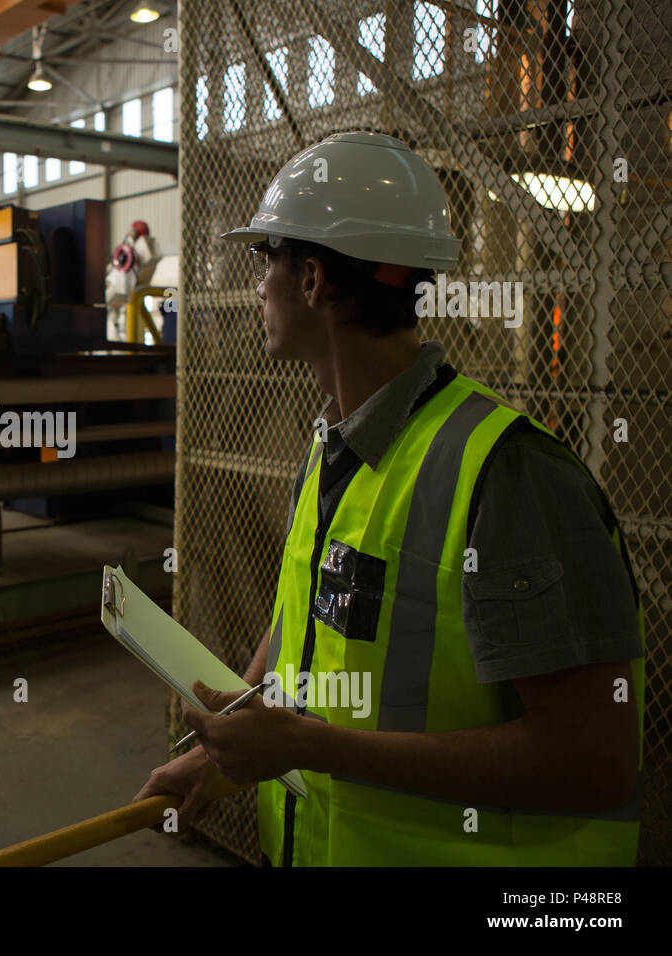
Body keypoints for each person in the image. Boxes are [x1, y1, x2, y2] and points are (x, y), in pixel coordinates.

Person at [135, 131, 645, 865]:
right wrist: (225, 747)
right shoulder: (331, 444)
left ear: (311, 280)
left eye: (263, 259)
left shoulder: (508, 475)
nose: (255, 285)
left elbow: (593, 760)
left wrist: (308, 745)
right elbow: (306, 620)